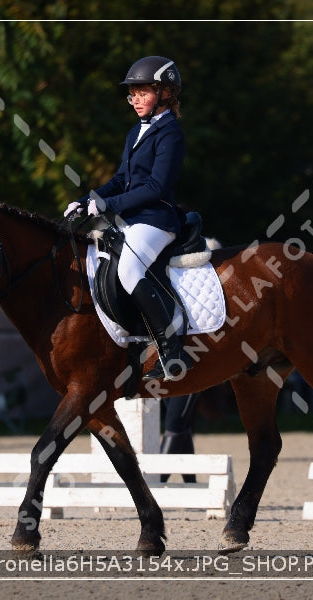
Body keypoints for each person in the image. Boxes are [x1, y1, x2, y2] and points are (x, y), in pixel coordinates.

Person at [66, 56, 193, 381]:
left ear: (165, 93)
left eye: (142, 93)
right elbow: (121, 179)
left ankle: (171, 351)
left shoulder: (171, 134)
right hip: (131, 219)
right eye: (131, 94)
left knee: (129, 268)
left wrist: (107, 205)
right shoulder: (136, 131)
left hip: (156, 220)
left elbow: (154, 187)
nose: (135, 100)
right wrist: (87, 201)